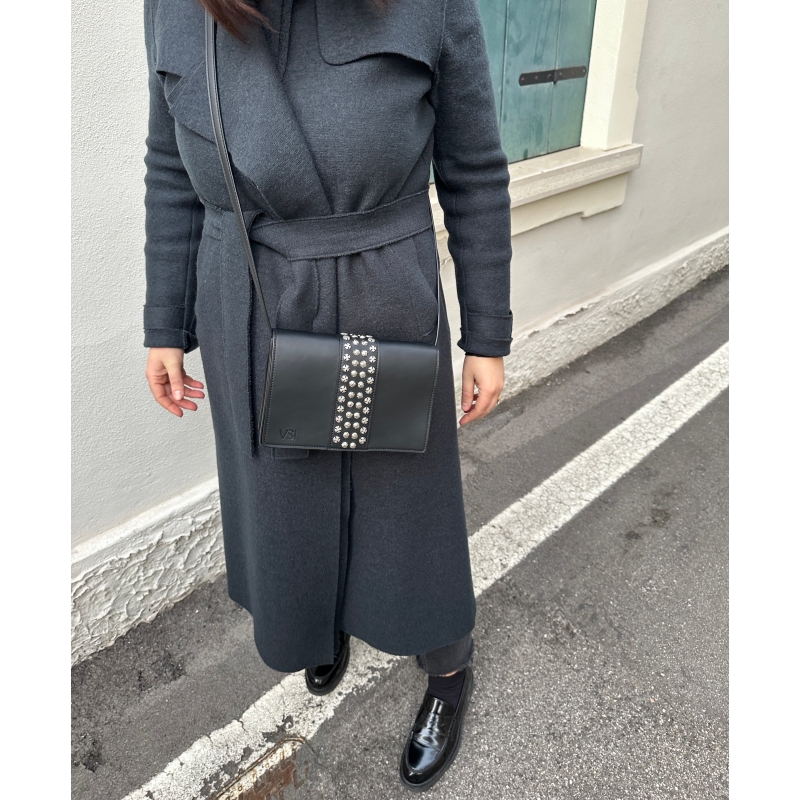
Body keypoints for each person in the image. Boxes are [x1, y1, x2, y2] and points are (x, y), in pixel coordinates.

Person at [142, 0, 512, 789]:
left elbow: (474, 169)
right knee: (288, 506)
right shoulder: (176, 8)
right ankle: (317, 622)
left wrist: (487, 334)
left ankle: (448, 668)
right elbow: (170, 165)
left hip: (380, 290)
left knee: (407, 514)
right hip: (250, 300)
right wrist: (165, 321)